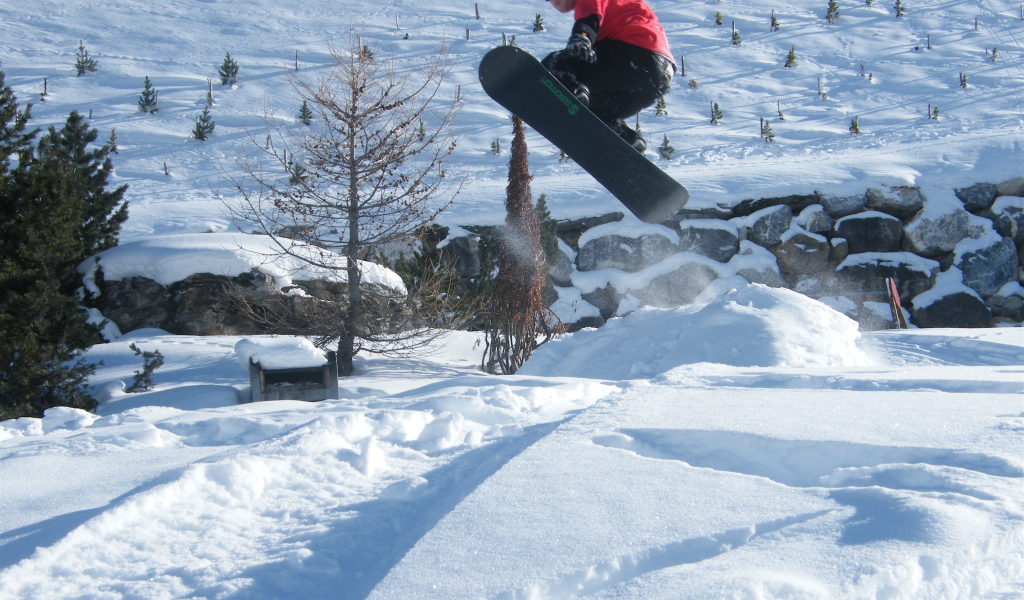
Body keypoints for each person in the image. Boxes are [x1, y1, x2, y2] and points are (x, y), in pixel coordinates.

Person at [541, 0, 675, 153]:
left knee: (554, 64)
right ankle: (627, 142)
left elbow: (588, 21)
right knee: (595, 116)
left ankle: (572, 97)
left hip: (636, 58)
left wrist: (581, 38)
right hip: (656, 80)